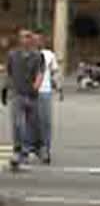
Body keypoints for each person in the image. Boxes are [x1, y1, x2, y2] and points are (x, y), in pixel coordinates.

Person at [3, 29, 43, 171]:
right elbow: (8, 72)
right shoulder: (13, 55)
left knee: (33, 124)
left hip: (31, 95)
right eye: (23, 37)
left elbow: (39, 73)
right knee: (18, 124)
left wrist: (36, 86)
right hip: (18, 94)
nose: (25, 40)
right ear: (19, 40)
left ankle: (35, 147)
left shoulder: (37, 56)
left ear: (31, 40)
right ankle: (19, 151)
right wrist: (5, 89)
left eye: (28, 37)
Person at [33, 32, 62, 164]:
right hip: (30, 92)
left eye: (39, 39)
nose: (37, 42)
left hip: (45, 91)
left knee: (45, 122)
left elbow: (54, 73)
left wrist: (58, 87)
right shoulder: (27, 55)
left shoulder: (49, 55)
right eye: (35, 39)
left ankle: (45, 149)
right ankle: (31, 148)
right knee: (30, 123)